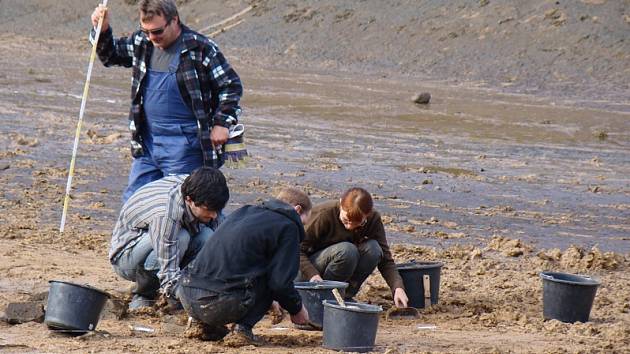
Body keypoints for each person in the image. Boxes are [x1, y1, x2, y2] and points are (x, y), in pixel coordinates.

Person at [90, 0, 243, 202]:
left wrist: (221, 123)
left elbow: (230, 85)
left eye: (157, 31)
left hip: (186, 145)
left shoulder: (200, 48)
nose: (152, 38)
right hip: (147, 142)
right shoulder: (141, 43)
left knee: (184, 204)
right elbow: (110, 55)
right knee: (135, 202)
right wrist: (102, 29)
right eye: (146, 31)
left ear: (174, 21)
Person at [177, 188, 312, 341]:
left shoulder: (244, 212)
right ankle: (243, 329)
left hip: (187, 296)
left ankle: (200, 323)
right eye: (304, 222)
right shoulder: (288, 226)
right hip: (220, 304)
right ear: (297, 210)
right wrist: (297, 309)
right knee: (272, 275)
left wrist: (270, 300)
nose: (302, 227)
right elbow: (280, 283)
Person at [109, 167, 229, 309]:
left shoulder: (200, 188)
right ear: (189, 200)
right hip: (126, 257)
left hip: (163, 243)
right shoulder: (165, 214)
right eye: (208, 210)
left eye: (217, 210)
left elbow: (223, 238)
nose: (214, 215)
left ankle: (185, 287)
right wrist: (183, 299)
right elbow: (168, 268)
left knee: (208, 237)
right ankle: (144, 293)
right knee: (181, 237)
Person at [299, 187, 409, 308]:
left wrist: (397, 287)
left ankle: (344, 296)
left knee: (373, 249)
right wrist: (313, 275)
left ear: (367, 215)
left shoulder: (373, 220)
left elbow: (385, 259)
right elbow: (295, 251)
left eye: (357, 224)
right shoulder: (324, 214)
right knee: (347, 251)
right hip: (307, 274)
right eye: (346, 221)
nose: (349, 227)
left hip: (337, 264)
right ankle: (324, 298)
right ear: (341, 204)